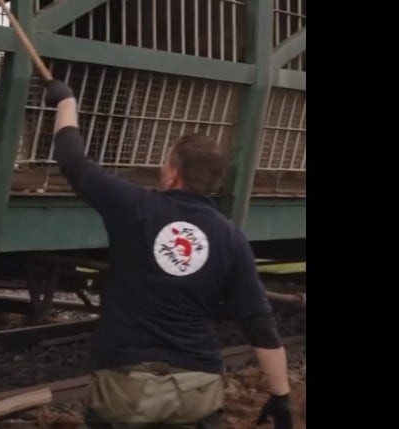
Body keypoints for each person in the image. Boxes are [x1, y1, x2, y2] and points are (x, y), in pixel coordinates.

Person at [44, 79, 294, 429]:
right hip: (197, 391)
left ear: (173, 173)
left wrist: (66, 101)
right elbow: (259, 324)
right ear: (215, 183)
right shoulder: (231, 238)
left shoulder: (133, 207)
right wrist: (280, 395)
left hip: (126, 388)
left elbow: (73, 160)